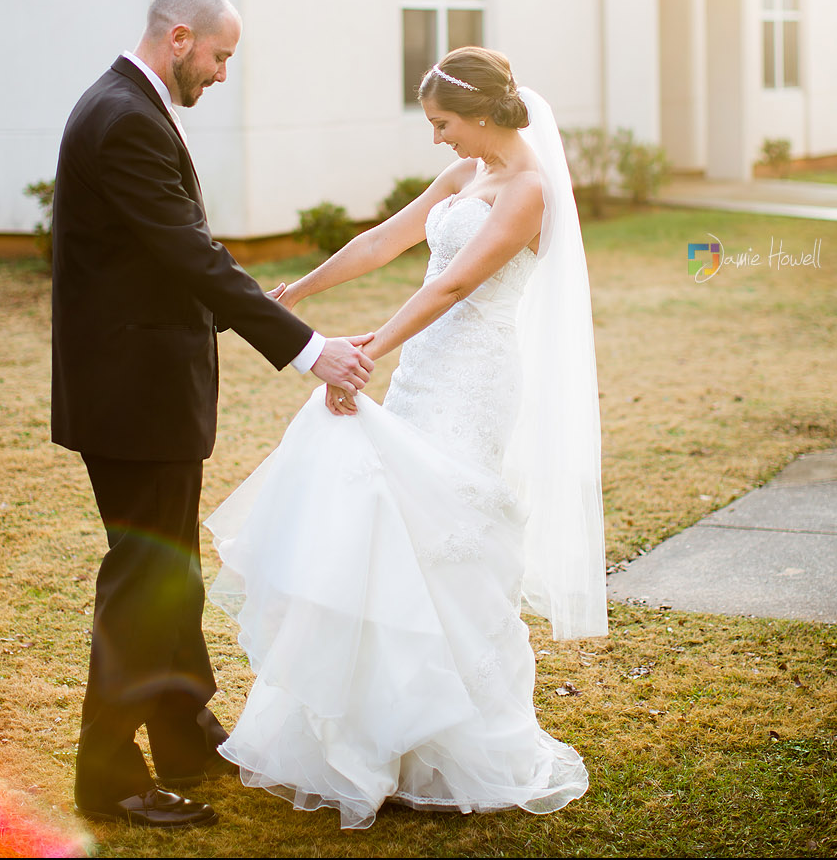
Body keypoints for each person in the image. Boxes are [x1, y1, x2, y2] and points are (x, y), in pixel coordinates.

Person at [204, 46, 608, 830]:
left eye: (443, 122)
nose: (436, 137)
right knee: (394, 531)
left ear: (483, 113)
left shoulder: (529, 190)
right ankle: (384, 729)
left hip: (475, 379)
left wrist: (364, 353)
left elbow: (455, 284)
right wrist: (297, 293)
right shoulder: (464, 176)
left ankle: (456, 737)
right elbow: (383, 242)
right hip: (427, 368)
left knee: (447, 537)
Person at [50, 0, 374, 830]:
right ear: (180, 38)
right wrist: (308, 348)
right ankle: (107, 775)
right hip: (132, 395)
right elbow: (190, 255)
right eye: (221, 57)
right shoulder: (123, 118)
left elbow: (175, 253)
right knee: (146, 579)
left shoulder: (127, 105)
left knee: (172, 570)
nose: (225, 73)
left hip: (143, 388)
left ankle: (185, 731)